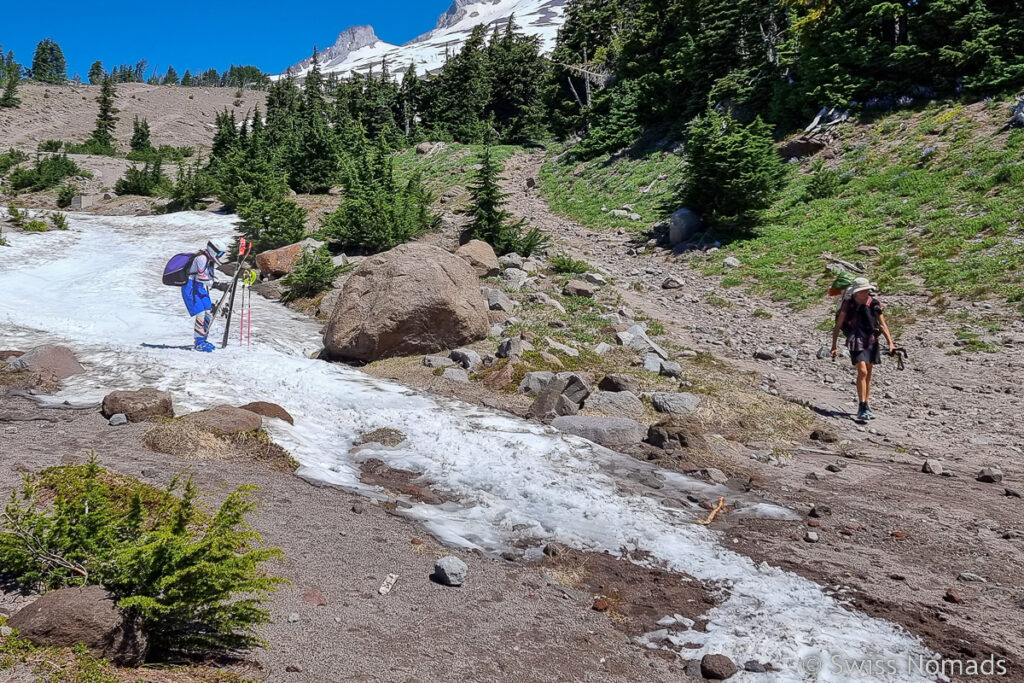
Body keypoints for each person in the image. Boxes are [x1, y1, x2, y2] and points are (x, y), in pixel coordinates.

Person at [830, 277, 897, 421]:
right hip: (855, 339)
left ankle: (866, 405)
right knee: (862, 371)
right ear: (855, 292)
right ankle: (862, 405)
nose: (865, 292)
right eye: (862, 290)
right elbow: (838, 325)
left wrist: (890, 343)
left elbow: (882, 324)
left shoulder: (874, 303)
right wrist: (834, 345)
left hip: (871, 340)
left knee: (868, 374)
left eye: (866, 290)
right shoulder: (849, 304)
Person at [182, 238, 230, 352]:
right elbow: (201, 276)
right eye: (220, 253)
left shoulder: (208, 260)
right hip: (191, 287)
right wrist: (217, 285)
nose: (220, 256)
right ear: (213, 250)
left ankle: (203, 338)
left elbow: (207, 277)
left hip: (199, 287)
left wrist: (220, 284)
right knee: (200, 313)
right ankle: (198, 342)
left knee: (208, 311)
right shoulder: (202, 258)